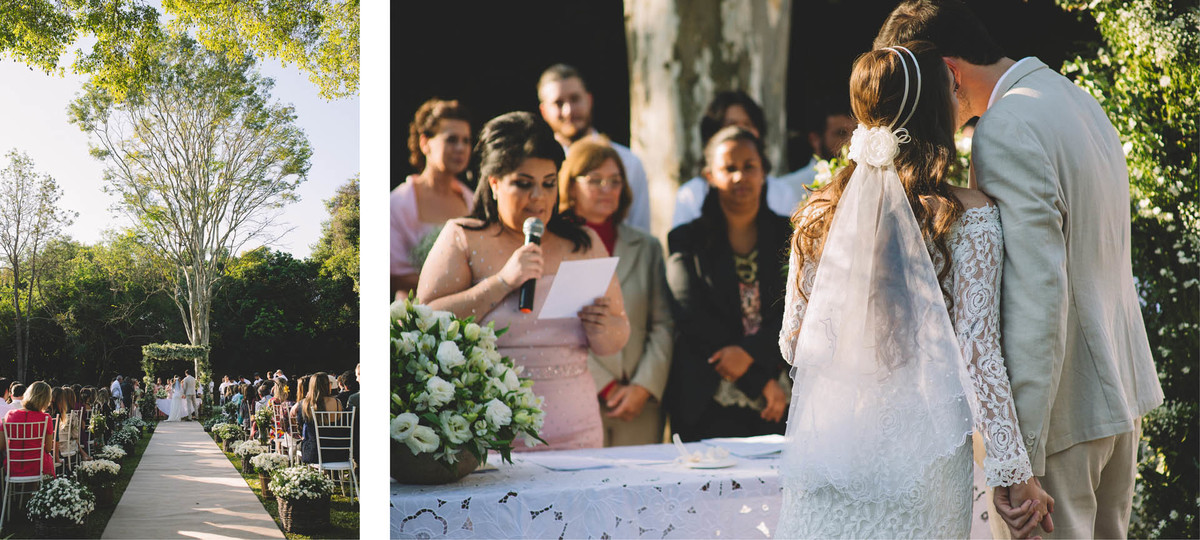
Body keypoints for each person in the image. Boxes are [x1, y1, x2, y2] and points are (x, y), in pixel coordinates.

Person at [874, 3, 1164, 538]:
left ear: (948, 72)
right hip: (1120, 397)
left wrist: (1019, 457)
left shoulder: (1005, 127)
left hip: (1059, 420)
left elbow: (1038, 295)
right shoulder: (1074, 98)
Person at [775, 41, 1046, 537]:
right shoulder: (969, 217)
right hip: (923, 462)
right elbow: (978, 353)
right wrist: (1014, 471)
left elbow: (795, 345)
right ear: (936, 114)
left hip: (830, 451)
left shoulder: (817, 214)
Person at [418, 111, 630, 451]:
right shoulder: (462, 237)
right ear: (494, 182)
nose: (539, 198)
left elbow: (616, 337)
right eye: (523, 183)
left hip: (579, 430)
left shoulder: (585, 242)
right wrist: (502, 282)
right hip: (489, 430)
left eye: (549, 183)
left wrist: (603, 328)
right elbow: (425, 322)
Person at [665, 125, 791, 442]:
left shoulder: (791, 235)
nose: (739, 177)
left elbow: (798, 308)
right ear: (709, 175)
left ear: (764, 172)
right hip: (707, 397)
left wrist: (753, 358)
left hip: (778, 394)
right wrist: (756, 382)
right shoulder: (686, 239)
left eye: (749, 167)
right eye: (728, 168)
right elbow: (690, 315)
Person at [558, 138, 674, 446]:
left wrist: (643, 386)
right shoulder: (553, 246)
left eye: (615, 181)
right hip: (574, 398)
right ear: (570, 186)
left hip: (640, 407)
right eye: (594, 180)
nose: (606, 189)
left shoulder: (647, 247)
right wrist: (605, 386)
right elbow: (556, 328)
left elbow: (663, 324)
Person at [538, 64, 651, 234]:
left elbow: (639, 230)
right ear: (544, 111)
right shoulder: (537, 165)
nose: (569, 111)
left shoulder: (628, 162)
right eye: (558, 103)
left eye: (575, 99)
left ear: (589, 100)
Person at [672, 91, 803, 227]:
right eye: (731, 125)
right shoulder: (690, 196)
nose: (740, 132)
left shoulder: (782, 193)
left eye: (747, 125)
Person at [393, 98, 476, 299]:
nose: (461, 148)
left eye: (466, 140)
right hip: (416, 318)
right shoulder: (398, 202)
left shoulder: (472, 201)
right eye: (451, 139)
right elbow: (392, 275)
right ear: (425, 143)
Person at [775, 97, 856, 193]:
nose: (851, 141)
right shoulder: (788, 188)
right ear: (815, 139)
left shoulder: (864, 182)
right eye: (841, 133)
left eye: (855, 132)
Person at [0, 381, 56, 478]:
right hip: (38, 467)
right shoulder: (45, 418)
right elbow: (48, 448)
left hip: (13, 466)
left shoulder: (10, 414)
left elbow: (1, 445)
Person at [292, 372, 345, 464]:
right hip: (338, 452)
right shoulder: (337, 403)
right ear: (326, 386)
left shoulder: (305, 404)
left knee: (300, 443)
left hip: (314, 453)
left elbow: (300, 427)